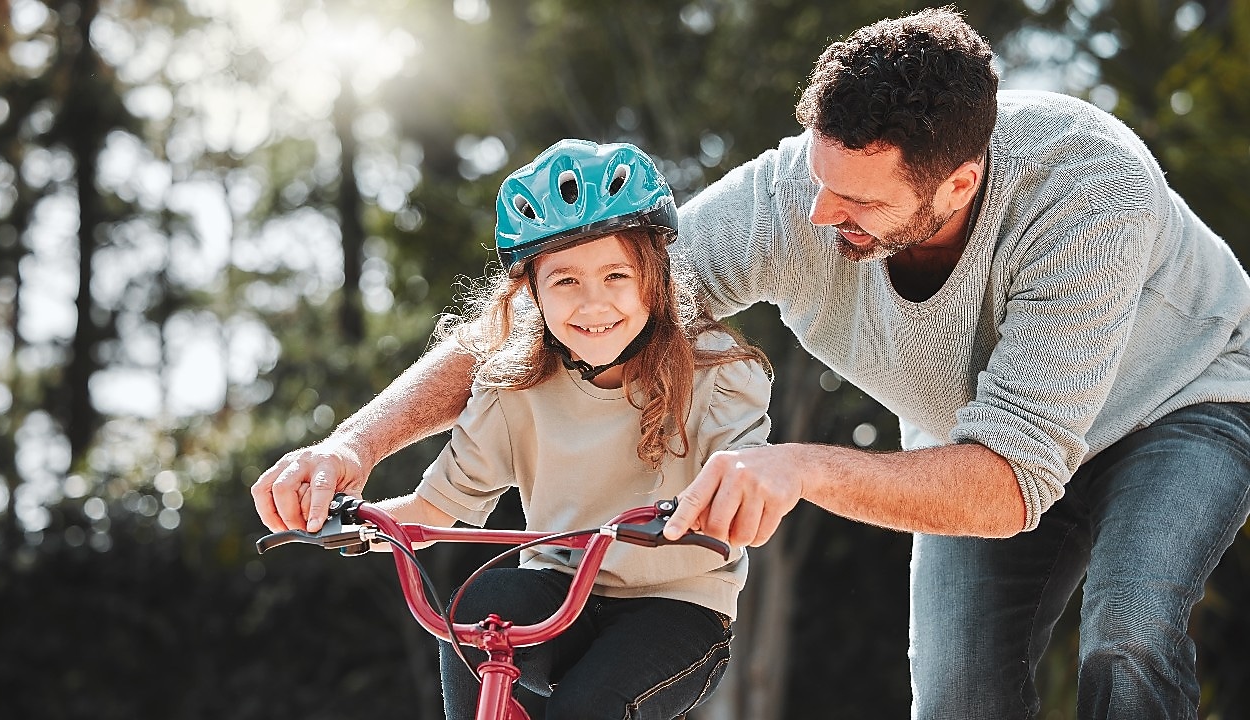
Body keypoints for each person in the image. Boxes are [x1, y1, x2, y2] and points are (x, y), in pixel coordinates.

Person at [253, 7, 1250, 719]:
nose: (820, 218)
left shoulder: (1086, 192)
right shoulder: (791, 197)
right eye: (818, 180)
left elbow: (1013, 481)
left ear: (956, 183)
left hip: (1181, 405)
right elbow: (559, 327)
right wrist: (354, 445)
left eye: (857, 204)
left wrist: (801, 466)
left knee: (1126, 625)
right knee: (953, 694)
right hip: (971, 439)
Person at [259, 139, 772, 719]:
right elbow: (435, 508)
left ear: (653, 278)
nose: (593, 303)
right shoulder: (513, 389)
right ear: (530, 293)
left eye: (615, 275)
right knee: (478, 614)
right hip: (561, 593)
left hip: (679, 605)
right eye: (565, 282)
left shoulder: (719, 372)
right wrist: (351, 517)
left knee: (589, 708)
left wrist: (718, 507)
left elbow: (747, 489)